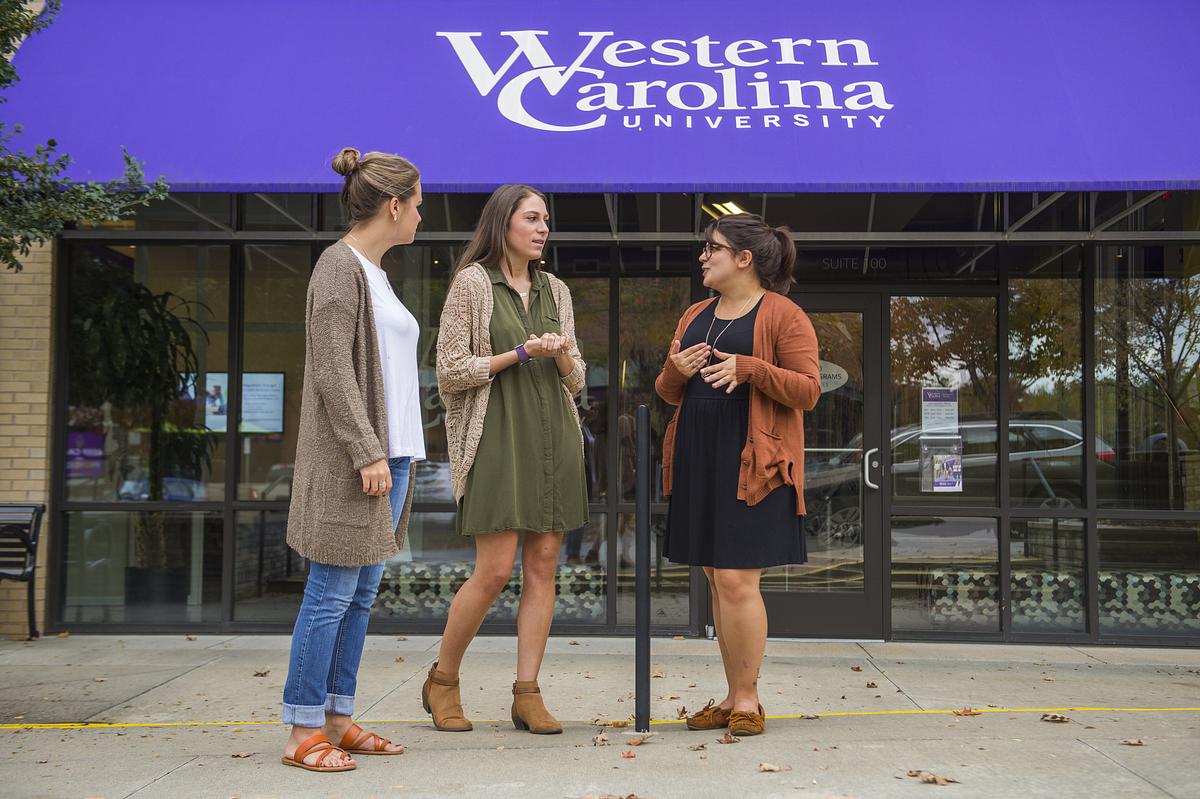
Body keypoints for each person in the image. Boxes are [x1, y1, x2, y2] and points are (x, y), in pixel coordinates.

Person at [280, 147, 424, 772]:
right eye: (417, 206)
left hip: (391, 459)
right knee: (330, 592)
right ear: (394, 206)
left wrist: (392, 455)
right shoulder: (338, 268)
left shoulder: (377, 274)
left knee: (360, 596)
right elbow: (333, 367)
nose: (420, 218)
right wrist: (366, 450)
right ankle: (302, 729)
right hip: (358, 462)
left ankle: (338, 717)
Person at [429, 184, 588, 735]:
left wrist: (561, 353)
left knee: (543, 566)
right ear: (504, 223)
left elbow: (579, 380)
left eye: (547, 219)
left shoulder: (557, 290)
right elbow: (449, 371)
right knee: (494, 571)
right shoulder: (472, 284)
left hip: (554, 439)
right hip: (496, 436)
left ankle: (527, 694)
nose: (544, 228)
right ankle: (443, 680)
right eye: (534, 218)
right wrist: (520, 352)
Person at [656, 212, 820, 737]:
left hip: (756, 464)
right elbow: (666, 391)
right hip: (699, 458)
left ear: (744, 259)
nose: (703, 256)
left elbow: (809, 390)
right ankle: (730, 697)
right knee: (713, 576)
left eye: (713, 247)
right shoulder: (695, 315)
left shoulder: (784, 315)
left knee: (735, 578)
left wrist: (751, 368)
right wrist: (673, 373)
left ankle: (748, 699)